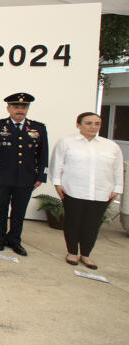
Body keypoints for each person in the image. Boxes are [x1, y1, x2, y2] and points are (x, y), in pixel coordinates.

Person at [50, 112, 123, 270]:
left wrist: (117, 188)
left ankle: (86, 254)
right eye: (88, 123)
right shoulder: (67, 142)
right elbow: (57, 163)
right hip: (73, 190)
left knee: (92, 225)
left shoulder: (110, 146)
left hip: (101, 192)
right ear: (78, 125)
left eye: (97, 124)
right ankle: (72, 252)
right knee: (72, 222)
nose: (93, 127)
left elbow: (117, 169)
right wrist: (57, 183)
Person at [0, 92, 48, 256]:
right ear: (8, 108)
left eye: (23, 107)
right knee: (1, 209)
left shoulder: (38, 128)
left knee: (19, 211)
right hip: (2, 176)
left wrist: (41, 176)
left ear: (27, 109)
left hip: (26, 177)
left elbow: (43, 155)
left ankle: (15, 240)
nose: (20, 110)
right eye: (16, 107)